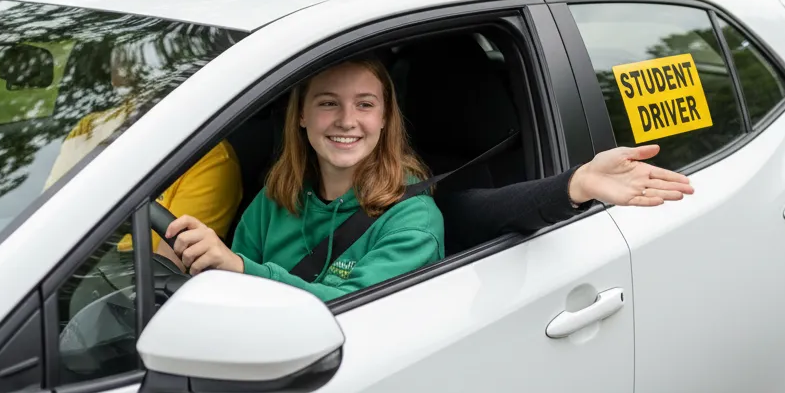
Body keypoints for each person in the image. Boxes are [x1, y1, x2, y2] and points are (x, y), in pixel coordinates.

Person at [164, 55, 695, 301]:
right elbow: (228, 301)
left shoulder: (413, 218)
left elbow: (349, 315)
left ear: (385, 119)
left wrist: (238, 267)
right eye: (328, 104)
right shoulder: (272, 199)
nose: (346, 120)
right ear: (300, 117)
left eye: (364, 105)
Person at [45, 39, 242, 252]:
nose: (125, 78)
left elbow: (168, 271)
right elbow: (46, 221)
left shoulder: (207, 157)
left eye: (141, 68)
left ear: (175, 75)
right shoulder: (88, 130)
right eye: (120, 63)